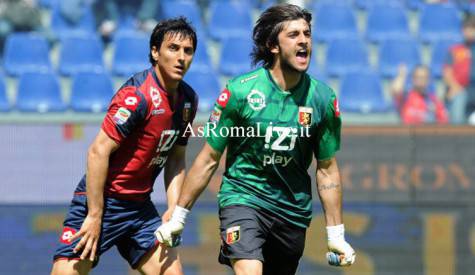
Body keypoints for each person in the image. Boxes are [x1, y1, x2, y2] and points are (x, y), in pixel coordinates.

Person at [156, 4, 355, 275]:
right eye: (294, 35)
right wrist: (179, 216)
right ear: (273, 45)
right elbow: (208, 158)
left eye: (307, 34)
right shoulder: (240, 92)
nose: (304, 41)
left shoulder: (322, 98)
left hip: (292, 212)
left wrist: (336, 234)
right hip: (243, 199)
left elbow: (327, 168)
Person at [51, 17, 198, 275]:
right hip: (102, 202)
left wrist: (174, 208)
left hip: (139, 210)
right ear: (155, 52)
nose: (181, 57)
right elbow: (98, 151)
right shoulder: (136, 96)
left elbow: (176, 157)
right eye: (173, 48)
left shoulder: (188, 101)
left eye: (188, 51)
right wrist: (95, 215)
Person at [443, 15, 475, 124]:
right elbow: (447, 72)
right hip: (460, 89)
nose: (469, 32)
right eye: (466, 28)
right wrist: (454, 86)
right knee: (459, 97)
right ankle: (456, 137)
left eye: (472, 28)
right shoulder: (455, 50)